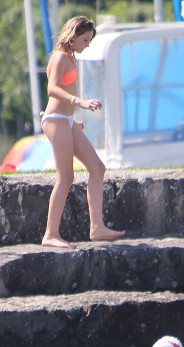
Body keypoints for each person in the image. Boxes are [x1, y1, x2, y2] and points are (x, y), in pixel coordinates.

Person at [41, 16, 125, 250]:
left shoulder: (71, 57)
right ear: (74, 35)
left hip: (66, 120)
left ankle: (97, 226)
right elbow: (52, 89)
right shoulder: (59, 56)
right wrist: (80, 102)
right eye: (85, 39)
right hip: (55, 120)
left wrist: (73, 119)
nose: (86, 44)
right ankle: (50, 233)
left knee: (97, 168)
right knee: (65, 178)